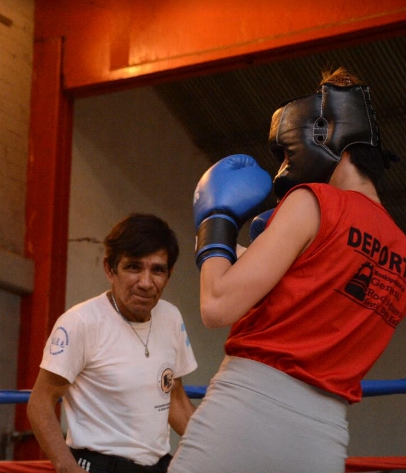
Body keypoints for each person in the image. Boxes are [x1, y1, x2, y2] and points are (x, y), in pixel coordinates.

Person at [169, 67, 404, 473]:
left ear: (330, 135)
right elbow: (311, 292)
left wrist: (216, 221)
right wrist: (243, 253)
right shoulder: (400, 251)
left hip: (246, 412)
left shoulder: (314, 201)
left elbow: (217, 305)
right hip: (322, 437)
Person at [27, 213, 198, 473]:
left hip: (159, 465)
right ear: (110, 269)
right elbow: (40, 404)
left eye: (157, 270)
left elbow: (174, 396)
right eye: (133, 267)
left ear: (169, 273)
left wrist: (220, 453)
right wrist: (68, 468)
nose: (145, 283)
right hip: (99, 464)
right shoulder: (81, 322)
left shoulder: (171, 317)